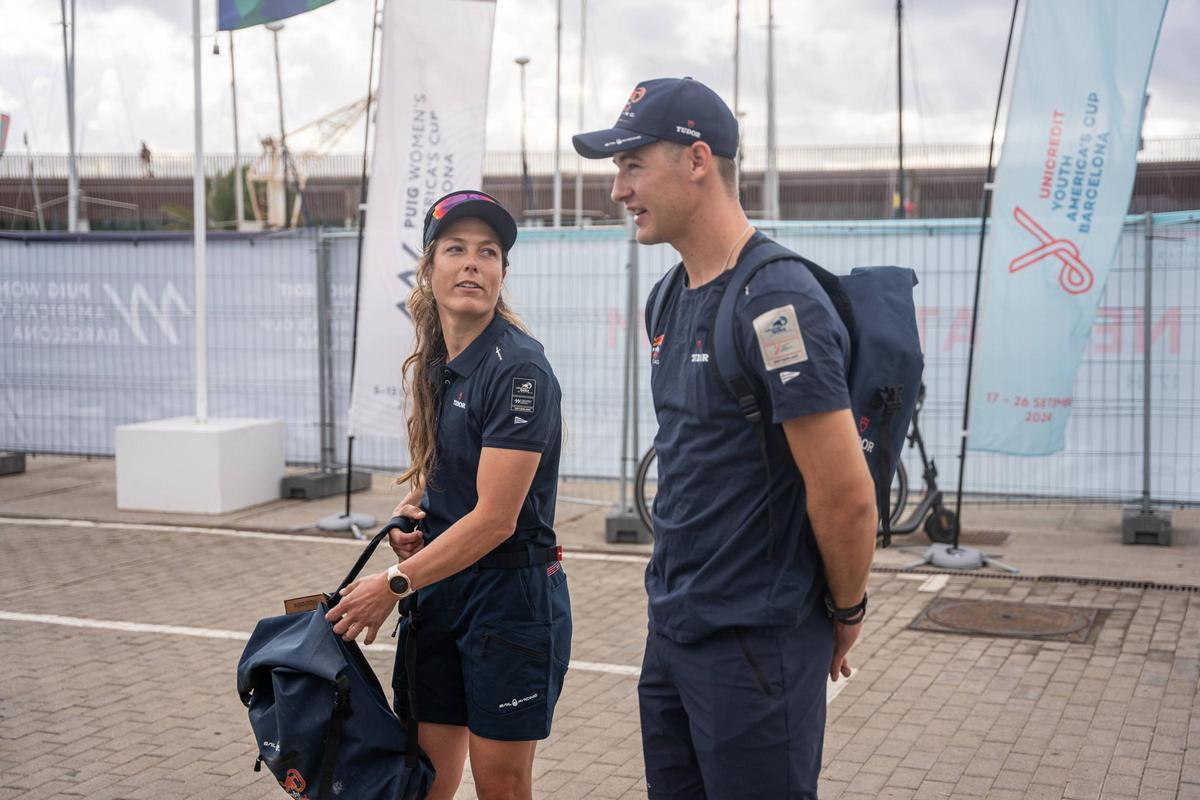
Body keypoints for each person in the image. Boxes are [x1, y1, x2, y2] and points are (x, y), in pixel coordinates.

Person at [573, 78, 878, 799]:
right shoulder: (671, 294)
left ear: (697, 160)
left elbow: (845, 497)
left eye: (632, 165)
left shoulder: (776, 302)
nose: (619, 189)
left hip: (756, 644)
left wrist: (844, 610)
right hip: (675, 629)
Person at [326, 190, 572, 800]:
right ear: (429, 267)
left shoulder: (519, 371)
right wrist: (418, 523)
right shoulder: (439, 361)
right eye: (456, 249)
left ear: (502, 274)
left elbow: (494, 520)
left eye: (488, 253)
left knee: (501, 784)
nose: (472, 263)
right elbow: (457, 489)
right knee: (425, 779)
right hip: (442, 589)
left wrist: (393, 583)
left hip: (508, 603)